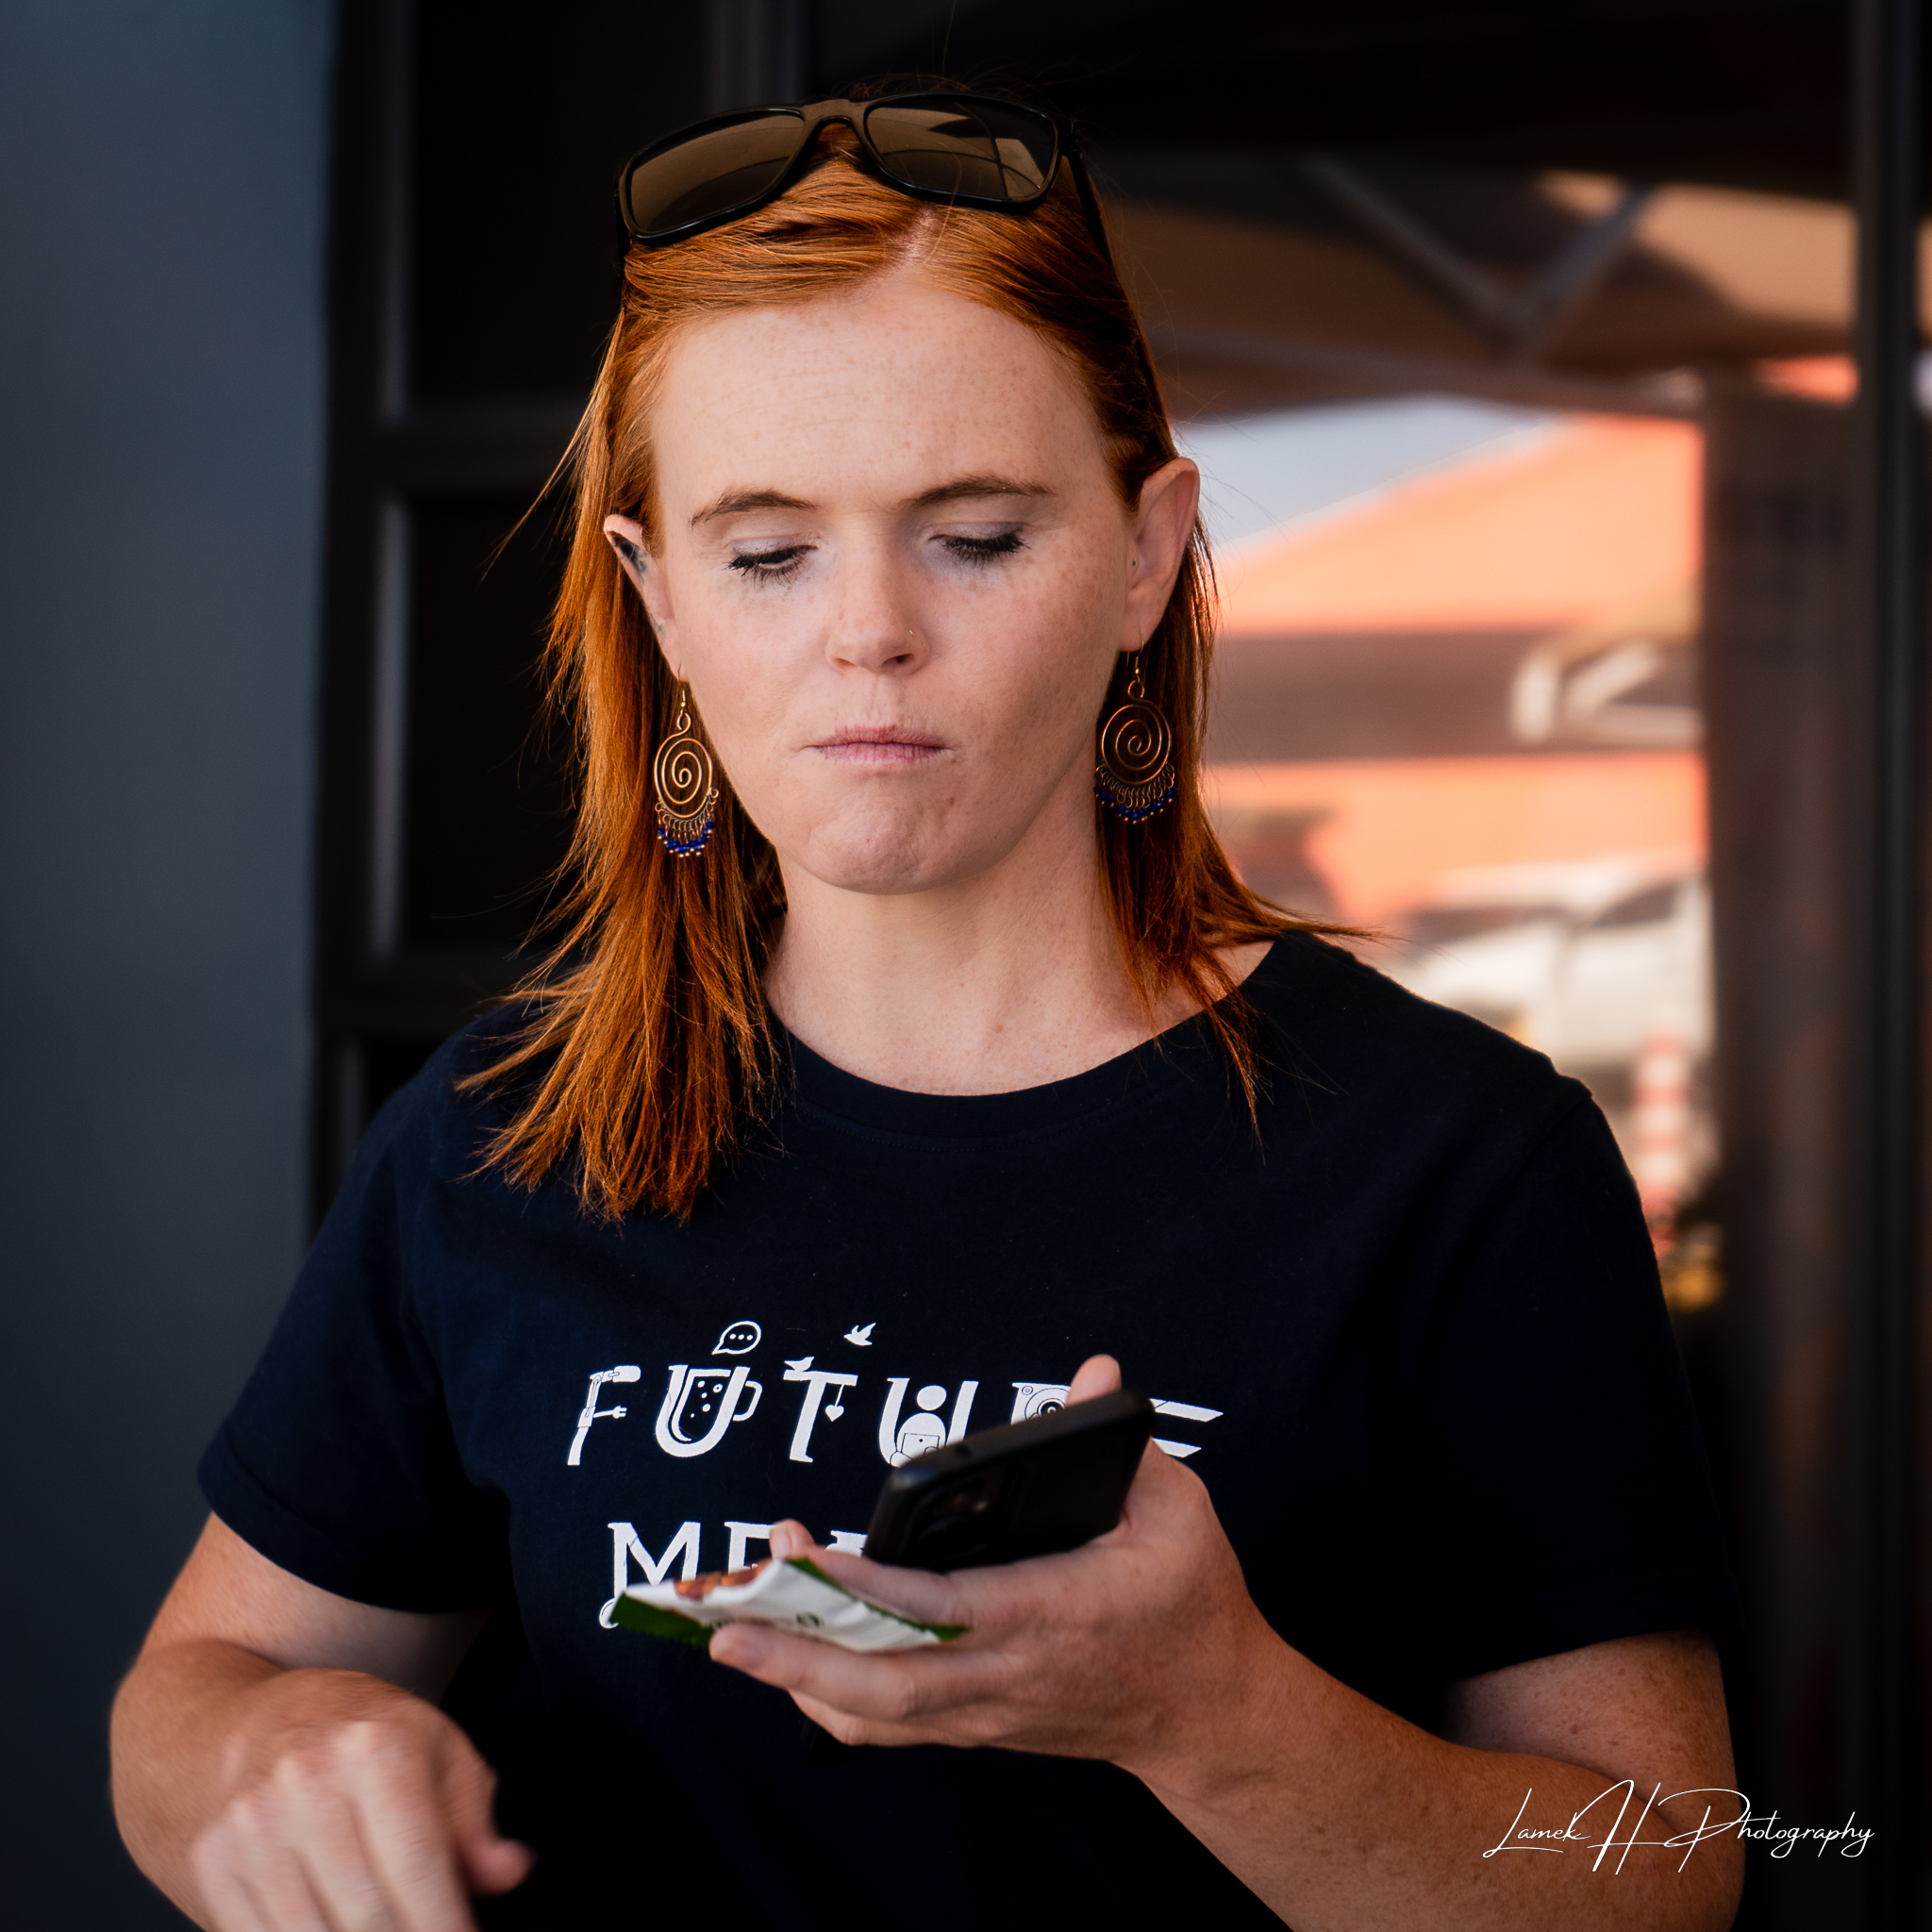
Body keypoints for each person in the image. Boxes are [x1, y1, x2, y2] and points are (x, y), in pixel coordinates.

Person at [111, 91, 1745, 1931]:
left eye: (973, 535)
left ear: (1145, 556)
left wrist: (1222, 1721)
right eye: (766, 552)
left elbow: (1667, 1873)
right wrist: (267, 1752)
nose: (869, 630)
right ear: (657, 598)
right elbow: (192, 1695)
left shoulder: (1460, 1161)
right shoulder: (501, 1135)